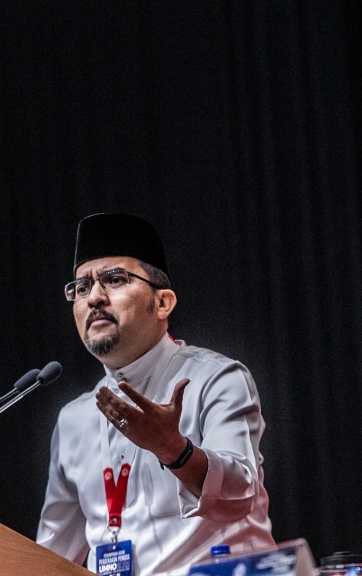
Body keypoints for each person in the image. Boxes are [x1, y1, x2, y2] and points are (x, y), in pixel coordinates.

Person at [37, 213, 275, 575]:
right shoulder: (74, 420)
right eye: (81, 288)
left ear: (162, 303)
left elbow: (240, 495)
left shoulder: (217, 378)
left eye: (114, 279)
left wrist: (175, 452)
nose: (95, 297)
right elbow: (50, 556)